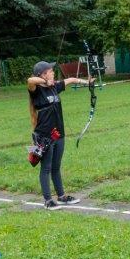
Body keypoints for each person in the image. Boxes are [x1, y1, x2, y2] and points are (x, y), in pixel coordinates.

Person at [27, 61, 90, 209]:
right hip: (45, 135)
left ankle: (61, 197)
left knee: (56, 167)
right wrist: (45, 81)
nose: (53, 72)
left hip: (58, 134)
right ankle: (48, 201)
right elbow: (30, 80)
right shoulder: (36, 91)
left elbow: (71, 80)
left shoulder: (54, 86)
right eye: (50, 71)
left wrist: (87, 83)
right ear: (43, 74)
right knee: (46, 168)